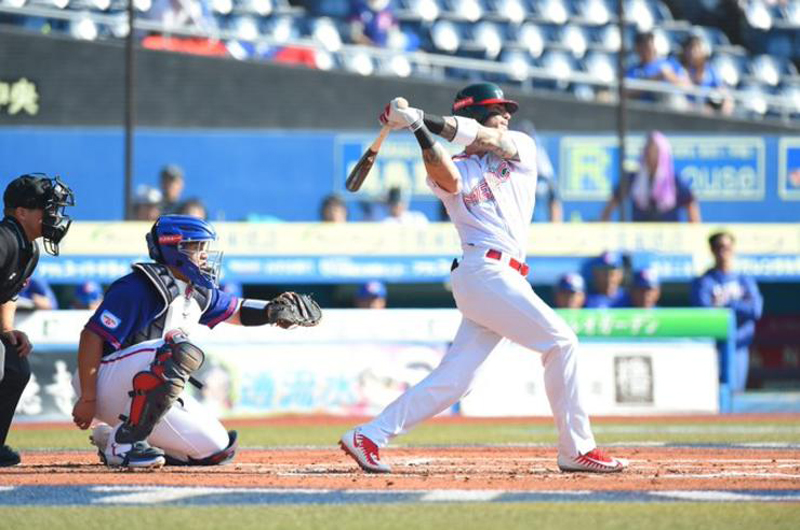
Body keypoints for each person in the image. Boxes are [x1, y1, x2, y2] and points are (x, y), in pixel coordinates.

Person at [339, 83, 627, 474]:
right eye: (496, 110)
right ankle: (577, 448)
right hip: (482, 271)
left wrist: (423, 118)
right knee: (562, 343)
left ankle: (370, 434)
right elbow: (447, 176)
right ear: (473, 114)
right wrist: (419, 130)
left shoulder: (520, 146)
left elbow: (490, 138)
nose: (505, 115)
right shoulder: (455, 164)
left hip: (501, 277)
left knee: (457, 380)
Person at [71, 215, 322, 469]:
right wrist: (88, 398)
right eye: (196, 247)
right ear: (174, 249)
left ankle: (113, 436)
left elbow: (237, 310)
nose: (204, 255)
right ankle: (123, 445)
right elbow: (92, 336)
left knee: (216, 449)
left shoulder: (195, 290)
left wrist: (272, 311)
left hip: (138, 391)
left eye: (204, 247)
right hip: (102, 380)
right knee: (177, 350)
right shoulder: (139, 287)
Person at [0, 174, 75, 467]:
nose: (54, 216)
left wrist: (6, 330)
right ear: (21, 212)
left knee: (16, 366)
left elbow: (6, 294)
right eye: (48, 208)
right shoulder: (4, 240)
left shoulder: (29, 249)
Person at [690, 231, 763, 392]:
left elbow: (755, 310)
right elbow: (705, 314)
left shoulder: (744, 280)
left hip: (739, 347)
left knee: (735, 395)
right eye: (718, 247)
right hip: (713, 348)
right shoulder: (704, 281)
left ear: (733, 249)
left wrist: (728, 303)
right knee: (713, 395)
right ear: (712, 250)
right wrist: (735, 306)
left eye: (727, 247)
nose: (723, 251)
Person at [600, 131, 701, 223]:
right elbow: (612, 203)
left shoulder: (673, 180)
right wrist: (605, 225)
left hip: (669, 234)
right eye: (648, 151)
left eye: (655, 151)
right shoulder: (634, 178)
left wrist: (692, 233)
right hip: (640, 235)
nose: (651, 155)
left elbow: (690, 205)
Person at [626, 30, 690, 104]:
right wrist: (653, 81)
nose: (648, 50)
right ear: (637, 48)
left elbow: (687, 87)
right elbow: (626, 94)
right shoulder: (633, 70)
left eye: (649, 45)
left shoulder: (670, 63)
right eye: (643, 47)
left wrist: (670, 76)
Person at [517, 120, 562, 223]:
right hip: (520, 229)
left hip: (541, 228)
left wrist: (555, 227)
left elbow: (554, 201)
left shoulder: (545, 174)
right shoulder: (510, 171)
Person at [678, 34, 734, 115]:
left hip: (705, 113)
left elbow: (723, 91)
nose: (693, 52)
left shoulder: (710, 70)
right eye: (690, 49)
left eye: (696, 48)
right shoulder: (678, 67)